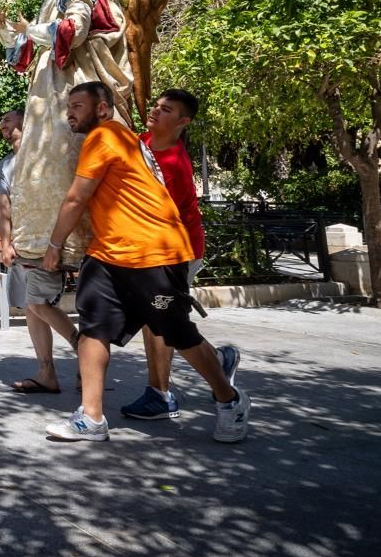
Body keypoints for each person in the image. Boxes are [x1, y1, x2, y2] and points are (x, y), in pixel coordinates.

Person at [40, 82, 249, 444]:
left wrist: (54, 245)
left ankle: (229, 399)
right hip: (107, 254)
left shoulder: (105, 135)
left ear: (102, 109)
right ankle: (91, 418)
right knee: (93, 328)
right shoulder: (126, 137)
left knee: (177, 333)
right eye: (68, 106)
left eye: (77, 105)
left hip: (155, 255)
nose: (70, 112)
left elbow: (77, 198)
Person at [0, 0, 133, 275]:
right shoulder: (45, 2)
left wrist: (32, 31)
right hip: (43, 89)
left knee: (69, 155)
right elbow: (24, 54)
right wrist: (9, 32)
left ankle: (81, 241)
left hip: (69, 84)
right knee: (41, 160)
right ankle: (41, 241)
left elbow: (75, 31)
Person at [120, 89, 206, 421]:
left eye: (166, 110)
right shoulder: (141, 140)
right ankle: (214, 363)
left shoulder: (174, 165)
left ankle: (160, 394)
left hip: (177, 249)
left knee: (161, 321)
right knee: (158, 319)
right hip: (151, 247)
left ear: (183, 122)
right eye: (156, 106)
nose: (155, 111)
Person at [0, 109, 77, 394]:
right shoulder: (1, 167)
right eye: (1, 121)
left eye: (9, 118)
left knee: (39, 305)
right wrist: (5, 243)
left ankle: (86, 350)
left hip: (49, 243)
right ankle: (46, 372)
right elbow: (3, 209)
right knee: (32, 308)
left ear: (26, 122)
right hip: (23, 246)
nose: (3, 123)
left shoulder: (47, 157)